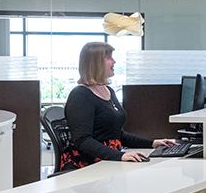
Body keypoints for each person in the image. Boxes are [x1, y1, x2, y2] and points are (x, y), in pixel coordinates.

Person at [60, 42, 175, 171]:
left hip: (108, 159)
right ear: (96, 63)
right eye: (109, 58)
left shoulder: (108, 91)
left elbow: (117, 134)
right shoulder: (80, 95)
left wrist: (152, 143)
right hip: (87, 163)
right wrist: (120, 156)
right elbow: (83, 140)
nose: (114, 61)